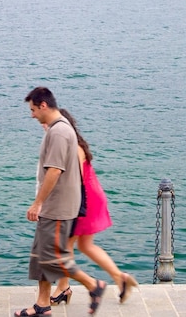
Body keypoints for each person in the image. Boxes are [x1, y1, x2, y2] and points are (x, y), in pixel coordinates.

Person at [16, 87, 107, 317]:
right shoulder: (61, 128)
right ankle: (42, 305)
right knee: (41, 256)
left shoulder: (58, 132)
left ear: (43, 105)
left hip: (57, 208)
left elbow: (54, 171)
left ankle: (92, 285)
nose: (32, 115)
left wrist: (37, 203)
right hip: (56, 207)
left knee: (52, 258)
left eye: (33, 109)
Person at [49, 107, 138, 307]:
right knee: (80, 245)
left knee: (65, 246)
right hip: (90, 197)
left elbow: (75, 179)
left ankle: (67, 287)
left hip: (83, 201)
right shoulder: (73, 145)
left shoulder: (73, 148)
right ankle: (119, 278)